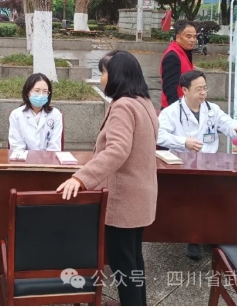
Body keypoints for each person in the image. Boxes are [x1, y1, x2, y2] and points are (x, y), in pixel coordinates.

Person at [57, 50, 157, 306]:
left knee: (124, 264)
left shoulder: (123, 106)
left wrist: (81, 178)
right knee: (133, 261)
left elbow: (117, 150)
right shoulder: (144, 102)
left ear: (117, 75)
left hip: (124, 200)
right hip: (141, 197)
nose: (101, 78)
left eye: (104, 72)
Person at [157, 69, 237, 260]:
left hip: (210, 163)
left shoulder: (212, 109)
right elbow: (159, 135)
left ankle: (213, 234)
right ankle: (193, 238)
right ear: (185, 90)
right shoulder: (171, 112)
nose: (203, 93)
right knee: (194, 198)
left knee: (218, 196)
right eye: (198, 89)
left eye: (205, 88)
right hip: (183, 165)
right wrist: (184, 142)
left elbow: (226, 122)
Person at [8, 73, 64, 151]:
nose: (41, 95)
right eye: (37, 91)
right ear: (28, 92)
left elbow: (54, 147)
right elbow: (17, 147)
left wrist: (44, 158)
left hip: (48, 158)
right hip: (24, 158)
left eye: (45, 91)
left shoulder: (55, 115)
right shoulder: (16, 115)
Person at [160, 20, 196, 109]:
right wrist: (178, 111)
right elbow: (170, 89)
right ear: (178, 37)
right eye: (188, 36)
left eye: (194, 37)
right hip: (174, 109)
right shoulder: (172, 57)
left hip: (185, 105)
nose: (192, 40)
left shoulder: (185, 52)